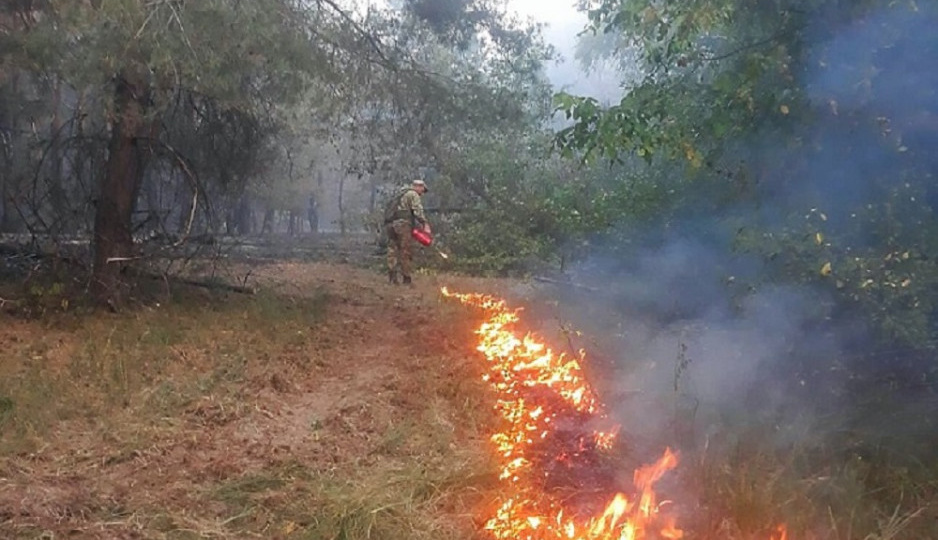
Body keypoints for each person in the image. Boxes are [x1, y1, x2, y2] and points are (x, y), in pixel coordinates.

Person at [384, 178, 431, 285]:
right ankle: (406, 278)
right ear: (418, 186)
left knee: (392, 250)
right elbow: (418, 211)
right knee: (405, 251)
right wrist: (425, 223)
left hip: (391, 225)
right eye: (422, 190)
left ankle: (392, 277)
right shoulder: (413, 194)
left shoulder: (400, 193)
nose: (422, 194)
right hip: (403, 226)